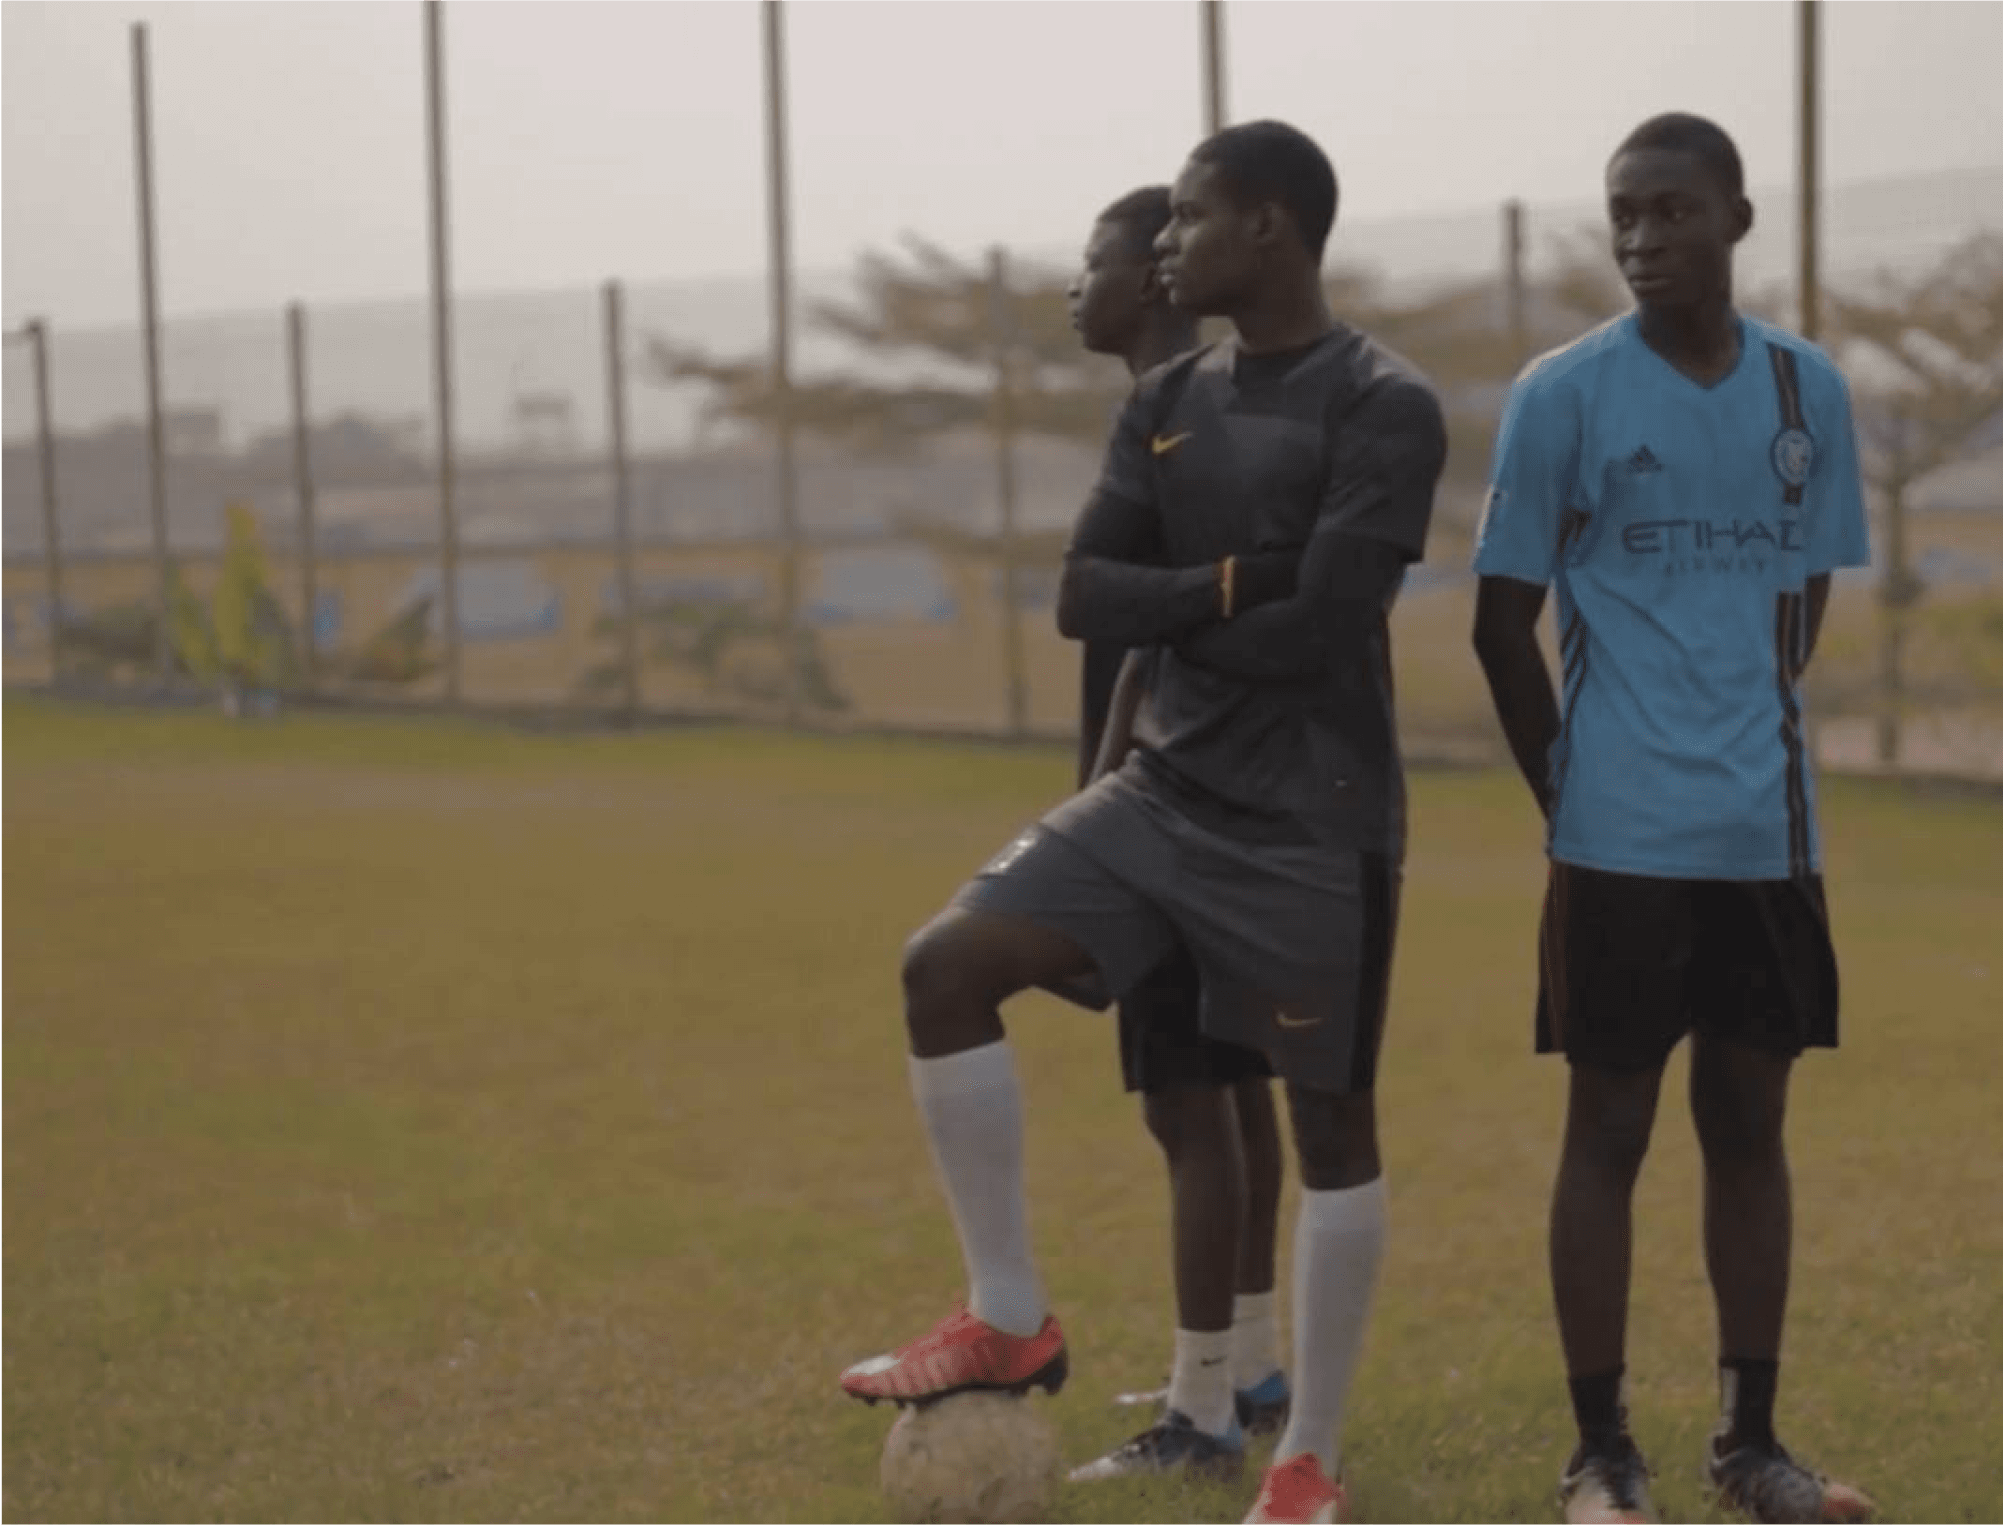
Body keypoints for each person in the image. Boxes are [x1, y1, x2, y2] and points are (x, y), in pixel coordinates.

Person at [840, 119, 1447, 1525]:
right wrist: (1235, 585)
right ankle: (1008, 1314)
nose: (1164, 246)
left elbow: (1332, 624)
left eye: (1186, 219)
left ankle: (1304, 1461)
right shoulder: (1164, 397)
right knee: (945, 966)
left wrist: (1187, 602)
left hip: (1315, 821)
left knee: (1327, 1132)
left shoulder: (1380, 402)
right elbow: (1082, 599)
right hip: (1159, 795)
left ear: (1271, 231)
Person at [1471, 112, 1877, 1525]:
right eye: (1621, 215)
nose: (1641, 239)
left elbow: (1802, 603)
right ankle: (1601, 1456)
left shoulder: (1804, 394)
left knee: (1749, 1130)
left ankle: (1748, 1448)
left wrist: (1727, 732)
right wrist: (1567, 792)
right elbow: (1495, 624)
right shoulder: (1561, 394)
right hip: (1615, 839)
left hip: (1765, 833)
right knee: (1608, 1133)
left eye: (1670, 212)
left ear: (1736, 222)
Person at [1059, 184, 1293, 1485]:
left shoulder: (1177, 423)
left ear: (1151, 277)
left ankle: (1200, 1417)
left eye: (1089, 261)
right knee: (1225, 1083)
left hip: (1161, 804)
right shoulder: (1188, 409)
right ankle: (1247, 1367)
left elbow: (1155, 644)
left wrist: (1096, 814)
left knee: (1185, 1103)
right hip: (1200, 800)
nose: (1072, 285)